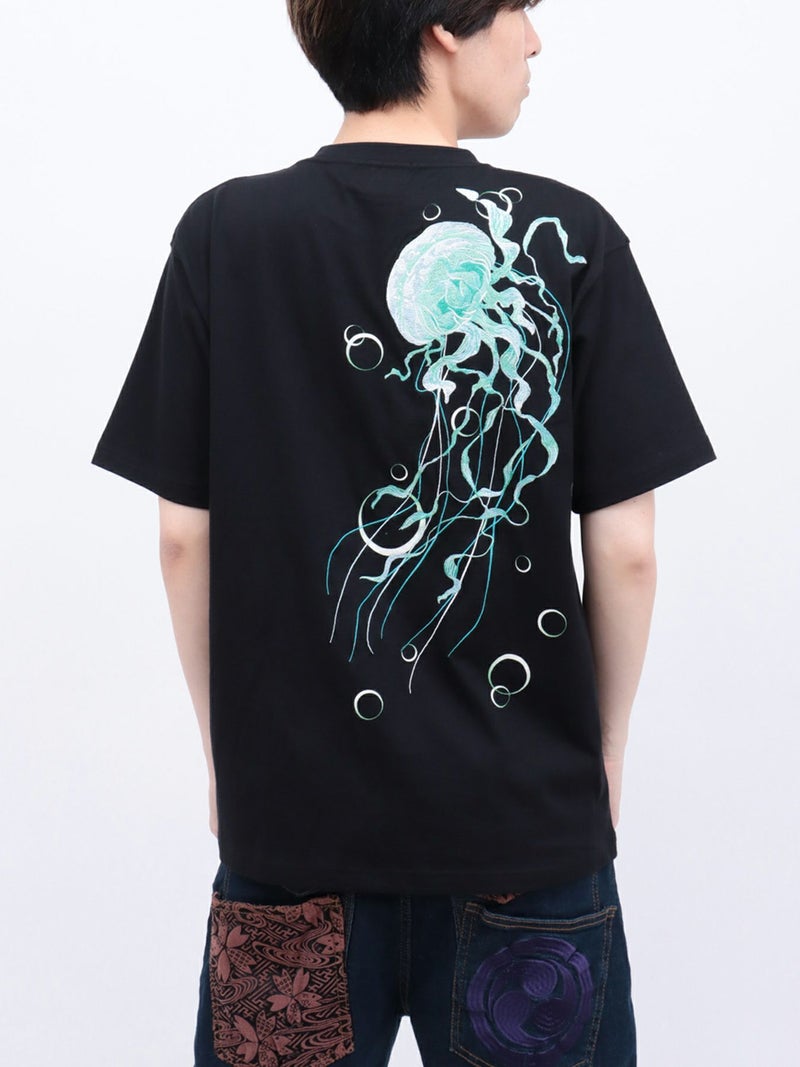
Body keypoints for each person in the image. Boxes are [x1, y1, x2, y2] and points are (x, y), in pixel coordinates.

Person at [90, 2, 717, 1064]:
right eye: (519, 7)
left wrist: (226, 756)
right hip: (525, 834)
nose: (534, 39)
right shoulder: (573, 234)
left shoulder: (224, 233)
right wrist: (604, 754)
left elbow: (182, 540)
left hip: (290, 835)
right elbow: (626, 549)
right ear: (441, 27)